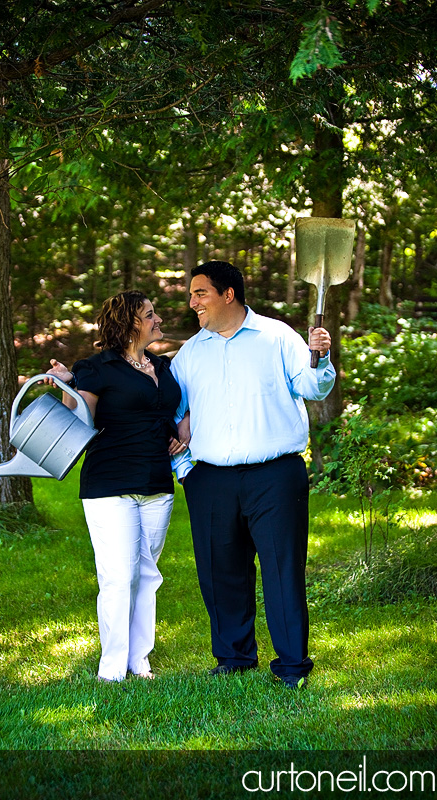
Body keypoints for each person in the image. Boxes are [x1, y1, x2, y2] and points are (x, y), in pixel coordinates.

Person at [170, 261, 336, 688]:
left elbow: (313, 387)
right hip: (210, 480)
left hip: (275, 476)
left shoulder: (277, 336)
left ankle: (292, 666)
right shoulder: (190, 353)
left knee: (282, 569)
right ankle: (234, 658)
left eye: (200, 293)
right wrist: (185, 469)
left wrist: (322, 356)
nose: (193, 303)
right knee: (219, 571)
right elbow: (171, 417)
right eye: (192, 294)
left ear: (228, 294)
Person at [46, 291, 187, 683]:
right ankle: (111, 670)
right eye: (150, 314)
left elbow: (177, 406)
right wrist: (65, 387)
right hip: (110, 482)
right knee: (117, 576)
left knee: (147, 574)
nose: (158, 320)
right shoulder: (96, 367)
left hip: (157, 481)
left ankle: (139, 661)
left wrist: (183, 428)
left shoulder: (162, 365)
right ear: (129, 325)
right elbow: (79, 420)